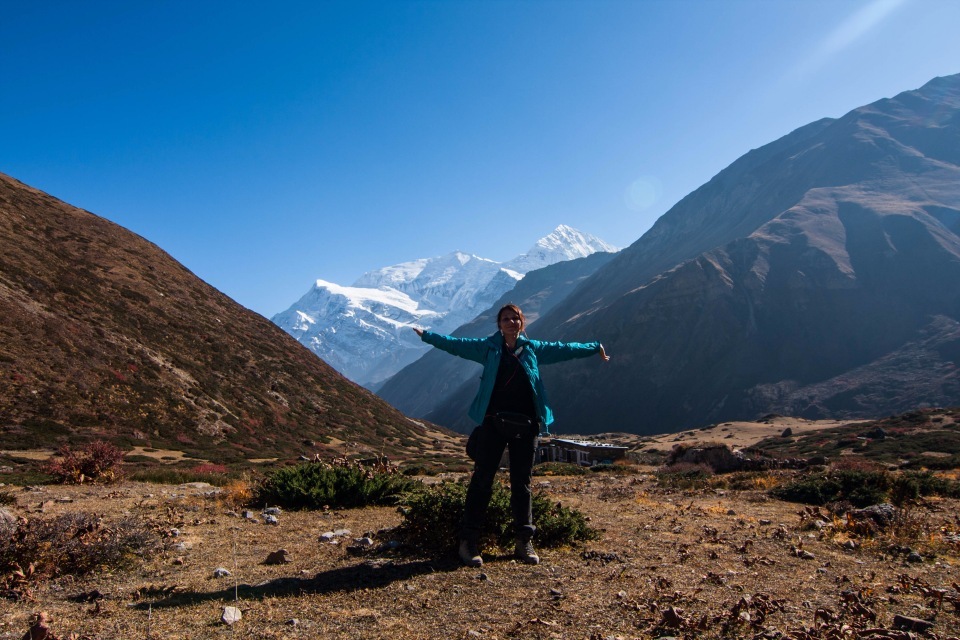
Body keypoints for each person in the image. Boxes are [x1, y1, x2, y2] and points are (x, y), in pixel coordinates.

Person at [413, 303, 609, 567]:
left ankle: (523, 541)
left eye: (515, 318)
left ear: (522, 322)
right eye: (505, 318)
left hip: (527, 425)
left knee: (522, 484)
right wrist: (427, 336)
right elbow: (457, 345)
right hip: (493, 422)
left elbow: (565, 350)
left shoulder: (533, 349)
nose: (510, 322)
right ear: (499, 324)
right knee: (482, 481)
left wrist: (594, 346)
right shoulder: (488, 347)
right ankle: (468, 542)